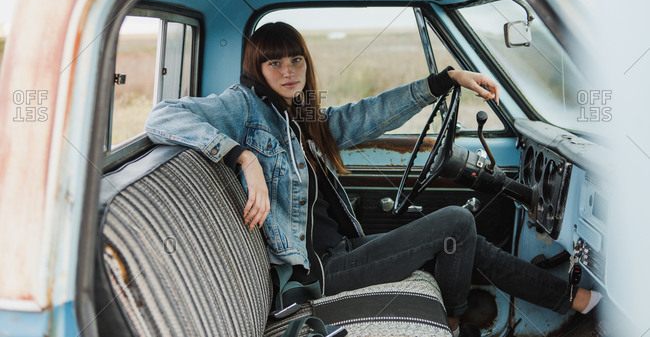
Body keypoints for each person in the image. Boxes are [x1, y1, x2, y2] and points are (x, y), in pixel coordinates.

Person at [145, 22, 601, 337]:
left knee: (463, 239)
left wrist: (443, 81)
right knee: (457, 225)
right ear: (255, 69)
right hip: (312, 274)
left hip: (340, 251)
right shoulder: (245, 107)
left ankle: (568, 299)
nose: (288, 72)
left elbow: (365, 116)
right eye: (274, 64)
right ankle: (458, 322)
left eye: (296, 61)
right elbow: (162, 114)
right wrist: (244, 158)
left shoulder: (296, 115)